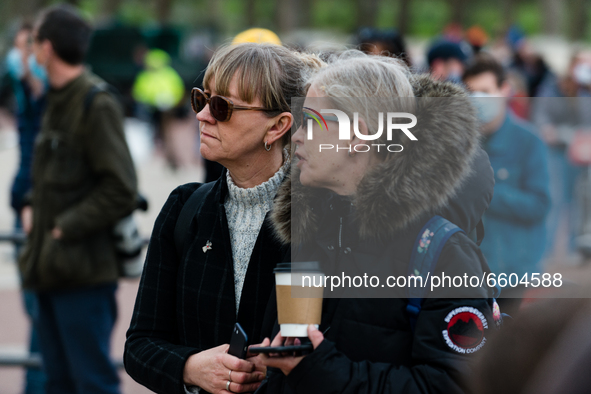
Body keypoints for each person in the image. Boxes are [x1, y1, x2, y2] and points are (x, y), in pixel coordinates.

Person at [257, 51, 497, 394]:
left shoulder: (444, 252)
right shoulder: (311, 229)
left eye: (311, 120)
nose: (296, 135)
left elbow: (453, 385)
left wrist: (320, 369)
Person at [124, 43, 323, 394]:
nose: (202, 116)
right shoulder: (184, 207)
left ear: (277, 126)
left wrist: (280, 369)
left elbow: (328, 350)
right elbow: (140, 345)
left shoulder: (316, 218)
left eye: (222, 107)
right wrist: (190, 367)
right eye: (202, 99)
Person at [18, 5, 138, 394]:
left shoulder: (95, 102)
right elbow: (52, 174)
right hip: (49, 270)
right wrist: (33, 204)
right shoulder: (55, 98)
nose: (31, 51)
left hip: (83, 274)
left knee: (92, 382)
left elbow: (121, 188)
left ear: (46, 48)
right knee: (58, 382)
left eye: (34, 41)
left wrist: (63, 227)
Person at [462, 54, 550, 311]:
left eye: (486, 91)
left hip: (511, 273)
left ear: (504, 90)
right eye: (472, 91)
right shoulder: (458, 144)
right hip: (466, 273)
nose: (479, 99)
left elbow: (538, 204)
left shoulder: (529, 142)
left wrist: (484, 192)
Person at [5, 21, 47, 394]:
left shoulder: (57, 99)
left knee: (43, 309)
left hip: (42, 213)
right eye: (19, 49)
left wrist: (32, 201)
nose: (22, 58)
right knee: (35, 309)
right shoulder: (24, 92)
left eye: (29, 48)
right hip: (25, 206)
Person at [532, 52, 591, 260]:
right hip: (557, 152)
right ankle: (544, 253)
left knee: (581, 203)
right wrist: (548, 129)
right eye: (584, 63)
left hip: (583, 156)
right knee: (555, 201)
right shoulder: (554, 87)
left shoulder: (586, 91)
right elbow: (541, 114)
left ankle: (576, 249)